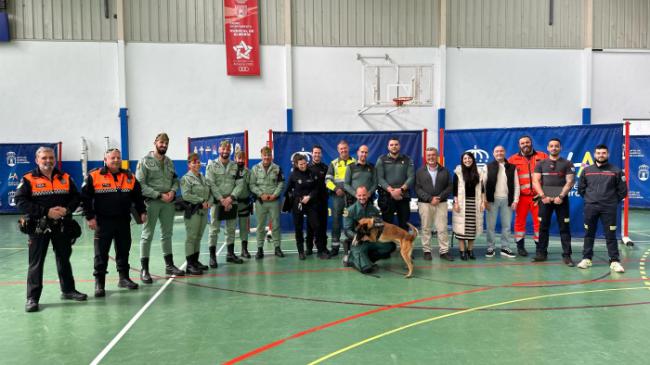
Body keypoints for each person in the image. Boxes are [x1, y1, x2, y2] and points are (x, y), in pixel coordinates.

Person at [15, 146, 87, 312]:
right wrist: (46, 212)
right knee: (36, 263)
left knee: (64, 259)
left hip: (61, 226)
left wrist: (66, 210)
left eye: (51, 158)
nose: (48, 161)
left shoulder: (65, 177)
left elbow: (76, 197)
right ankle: (32, 298)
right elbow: (20, 201)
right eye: (44, 158)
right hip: (38, 227)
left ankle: (68, 290)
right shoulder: (28, 179)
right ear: (37, 160)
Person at [81, 148, 146, 297]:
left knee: (123, 251)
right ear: (105, 159)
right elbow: (85, 198)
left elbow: (138, 196)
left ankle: (123, 278)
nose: (116, 160)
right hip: (103, 222)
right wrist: (90, 217)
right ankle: (99, 283)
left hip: (123, 221)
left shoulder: (129, 176)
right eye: (112, 158)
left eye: (118, 157)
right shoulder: (94, 176)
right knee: (100, 254)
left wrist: (142, 211)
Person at [136, 132, 184, 283]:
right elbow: (140, 185)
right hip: (152, 202)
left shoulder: (169, 162)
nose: (164, 145)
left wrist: (172, 191)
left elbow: (176, 180)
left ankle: (169, 266)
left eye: (166, 143)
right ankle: (144, 269)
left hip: (168, 203)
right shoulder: (145, 161)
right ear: (155, 142)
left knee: (167, 234)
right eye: (161, 142)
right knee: (147, 235)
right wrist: (159, 195)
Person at [577, 144, 628, 273]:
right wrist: (590, 199)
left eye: (603, 153)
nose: (601, 155)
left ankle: (614, 261)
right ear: (595, 155)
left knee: (610, 235)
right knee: (589, 234)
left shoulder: (616, 171)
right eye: (598, 153)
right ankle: (586, 259)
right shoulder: (587, 170)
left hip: (608, 208)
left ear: (608, 154)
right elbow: (581, 189)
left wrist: (610, 201)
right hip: (591, 207)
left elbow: (623, 191)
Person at [532, 138, 575, 265]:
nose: (554, 148)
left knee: (564, 228)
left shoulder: (567, 163)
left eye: (556, 146)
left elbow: (570, 181)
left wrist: (560, 196)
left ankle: (567, 256)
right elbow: (535, 181)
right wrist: (543, 196)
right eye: (551, 146)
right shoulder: (540, 163)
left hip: (561, 200)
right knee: (543, 227)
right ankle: (541, 254)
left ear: (560, 148)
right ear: (548, 148)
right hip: (545, 199)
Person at [205, 140, 244, 267]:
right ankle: (212, 257)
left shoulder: (235, 166)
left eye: (228, 149)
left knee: (231, 229)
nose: (226, 151)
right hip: (217, 202)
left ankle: (230, 254)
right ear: (219, 150)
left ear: (230, 151)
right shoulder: (212, 165)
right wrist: (222, 199)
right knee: (214, 230)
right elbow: (210, 183)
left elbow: (240, 184)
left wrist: (230, 198)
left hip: (232, 201)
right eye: (223, 149)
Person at [508, 135, 548, 256]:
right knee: (519, 222)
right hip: (521, 198)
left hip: (538, 197)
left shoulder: (542, 156)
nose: (525, 145)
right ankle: (520, 247)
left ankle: (539, 248)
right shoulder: (512, 160)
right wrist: (512, 198)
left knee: (539, 223)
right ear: (519, 145)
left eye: (527, 142)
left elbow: (548, 176)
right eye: (522, 143)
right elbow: (508, 180)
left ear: (531, 143)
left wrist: (544, 194)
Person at [343, 186, 396, 273]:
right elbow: (347, 230)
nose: (362, 197)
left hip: (371, 239)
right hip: (358, 241)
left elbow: (380, 226)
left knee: (390, 246)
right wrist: (358, 237)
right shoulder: (349, 210)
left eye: (364, 195)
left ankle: (367, 259)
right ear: (356, 195)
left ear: (367, 195)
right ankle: (351, 259)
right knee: (366, 269)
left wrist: (375, 236)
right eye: (359, 195)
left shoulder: (374, 210)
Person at [284, 154, 326, 259]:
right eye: (300, 164)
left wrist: (309, 196)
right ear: (296, 165)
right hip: (298, 204)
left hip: (311, 202)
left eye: (304, 163)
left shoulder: (312, 173)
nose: (303, 166)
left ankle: (320, 251)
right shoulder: (293, 175)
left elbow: (317, 188)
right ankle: (301, 252)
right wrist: (296, 198)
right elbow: (287, 190)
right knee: (298, 227)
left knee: (316, 225)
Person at [415, 147, 453, 261]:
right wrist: (430, 198)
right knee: (426, 228)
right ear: (426, 157)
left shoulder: (445, 171)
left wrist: (439, 197)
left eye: (433, 155)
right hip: (425, 204)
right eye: (428, 155)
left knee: (442, 228)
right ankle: (427, 251)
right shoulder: (420, 171)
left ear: (437, 156)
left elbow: (450, 186)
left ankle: (444, 251)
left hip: (441, 203)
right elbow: (417, 188)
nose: (431, 157)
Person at [250, 146, 285, 259]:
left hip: (274, 201)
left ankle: (277, 248)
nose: (267, 157)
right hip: (261, 202)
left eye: (269, 155)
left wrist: (275, 194)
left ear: (271, 156)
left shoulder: (277, 168)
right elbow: (252, 185)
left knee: (275, 225)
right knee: (260, 226)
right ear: (261, 156)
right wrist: (261, 194)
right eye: (265, 155)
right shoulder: (255, 169)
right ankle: (260, 249)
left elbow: (281, 183)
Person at [484, 145, 519, 259]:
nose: (499, 153)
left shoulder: (512, 167)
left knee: (506, 226)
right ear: (493, 154)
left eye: (501, 151)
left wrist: (515, 200)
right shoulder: (487, 167)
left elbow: (516, 185)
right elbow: (483, 184)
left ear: (504, 152)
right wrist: (484, 200)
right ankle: (490, 247)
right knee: (490, 226)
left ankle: (505, 247)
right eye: (496, 151)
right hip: (492, 200)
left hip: (507, 200)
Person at [180, 153, 212, 275]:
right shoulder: (186, 179)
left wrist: (209, 202)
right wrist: (202, 201)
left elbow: (209, 192)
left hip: (203, 211)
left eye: (198, 162)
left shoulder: (203, 178)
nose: (197, 164)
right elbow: (186, 195)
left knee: (198, 237)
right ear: (189, 164)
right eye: (194, 162)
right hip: (193, 211)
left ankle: (195, 261)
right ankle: (189, 265)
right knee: (191, 237)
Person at [452, 152, 486, 260]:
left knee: (472, 229)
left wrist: (482, 202)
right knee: (461, 229)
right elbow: (454, 190)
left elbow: (483, 190)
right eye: (465, 158)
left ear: (473, 159)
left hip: (474, 203)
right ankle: (462, 251)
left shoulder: (479, 172)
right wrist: (456, 203)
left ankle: (470, 250)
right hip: (462, 204)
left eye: (469, 158)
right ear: (462, 160)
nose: (467, 160)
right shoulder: (458, 172)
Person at [376, 137, 415, 230]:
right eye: (391, 145)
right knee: (387, 225)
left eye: (396, 144)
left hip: (403, 196)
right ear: (388, 147)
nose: (394, 147)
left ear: (399, 146)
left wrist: (400, 190)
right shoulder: (381, 159)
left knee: (404, 224)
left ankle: (404, 245)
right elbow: (379, 178)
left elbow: (411, 177)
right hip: (387, 196)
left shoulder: (407, 160)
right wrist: (391, 191)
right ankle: (389, 245)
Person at [325, 140, 355, 256]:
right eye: (341, 149)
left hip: (351, 196)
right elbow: (327, 181)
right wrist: (335, 189)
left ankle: (353, 246)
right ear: (338, 150)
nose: (343, 150)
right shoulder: (334, 163)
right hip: (338, 197)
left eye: (345, 148)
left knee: (352, 222)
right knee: (336, 222)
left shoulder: (354, 162)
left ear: (348, 148)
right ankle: (335, 247)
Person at [306, 145, 329, 257]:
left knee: (322, 226)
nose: (317, 155)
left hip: (323, 201)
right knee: (311, 226)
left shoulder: (325, 168)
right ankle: (309, 248)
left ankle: (323, 248)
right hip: (311, 202)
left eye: (319, 153)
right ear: (312, 154)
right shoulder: (307, 168)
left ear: (321, 154)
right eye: (315, 153)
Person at [233, 151, 253, 258]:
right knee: (231, 228)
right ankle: (230, 252)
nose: (240, 160)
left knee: (244, 227)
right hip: (233, 203)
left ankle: (244, 250)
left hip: (244, 202)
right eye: (238, 158)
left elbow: (251, 186)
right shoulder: (231, 171)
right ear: (235, 158)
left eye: (242, 158)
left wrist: (251, 198)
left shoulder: (248, 172)